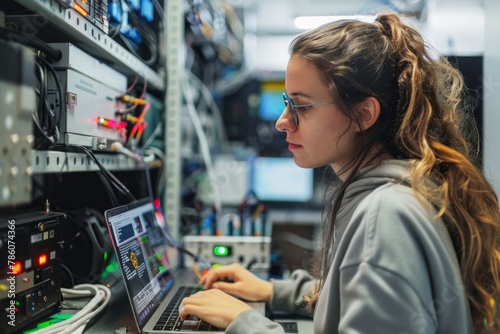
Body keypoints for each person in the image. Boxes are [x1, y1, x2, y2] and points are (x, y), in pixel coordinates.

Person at [179, 11, 500, 334]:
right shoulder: (401, 192)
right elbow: (355, 293)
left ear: (363, 115)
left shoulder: (387, 215)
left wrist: (244, 322)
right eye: (286, 102)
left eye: (301, 106)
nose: (282, 122)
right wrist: (274, 291)